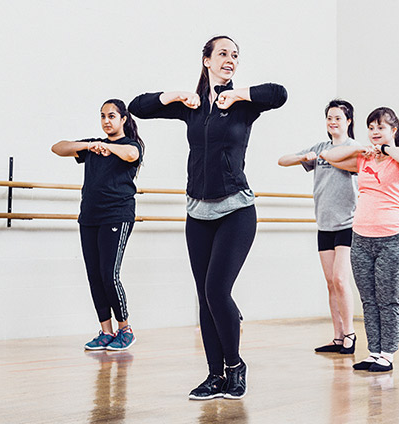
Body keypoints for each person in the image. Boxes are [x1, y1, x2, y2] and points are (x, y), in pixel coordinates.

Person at [129, 35, 287, 400]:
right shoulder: (194, 106)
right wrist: (173, 96)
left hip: (236, 210)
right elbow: (138, 107)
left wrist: (240, 93)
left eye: (235, 55)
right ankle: (215, 375)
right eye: (222, 54)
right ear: (207, 60)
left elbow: (279, 93)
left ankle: (235, 366)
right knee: (204, 297)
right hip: (197, 211)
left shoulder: (244, 104)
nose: (229, 60)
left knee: (217, 290)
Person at [320, 107, 399, 372]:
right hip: (362, 240)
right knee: (369, 300)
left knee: (389, 300)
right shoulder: (363, 160)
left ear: (393, 130)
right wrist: (361, 150)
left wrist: (385, 150)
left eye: (381, 128)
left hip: (393, 240)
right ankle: (374, 352)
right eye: (371, 128)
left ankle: (388, 354)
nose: (375, 133)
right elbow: (329, 155)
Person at [51, 99, 144, 351]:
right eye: (102, 116)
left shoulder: (129, 145)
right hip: (90, 216)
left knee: (109, 274)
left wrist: (107, 147)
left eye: (112, 116)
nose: (106, 121)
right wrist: (91, 145)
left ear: (123, 119)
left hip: (117, 215)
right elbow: (57, 148)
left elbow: (131, 154)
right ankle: (106, 331)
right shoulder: (93, 146)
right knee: (94, 275)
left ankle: (125, 329)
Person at [278, 99, 358, 355]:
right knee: (330, 283)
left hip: (347, 223)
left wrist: (327, 158)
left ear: (348, 121)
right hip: (324, 225)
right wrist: (305, 156)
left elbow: (355, 167)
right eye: (329, 118)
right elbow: (283, 160)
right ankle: (337, 337)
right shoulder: (320, 148)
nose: (332, 122)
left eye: (338, 118)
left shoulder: (354, 149)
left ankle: (350, 335)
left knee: (341, 280)